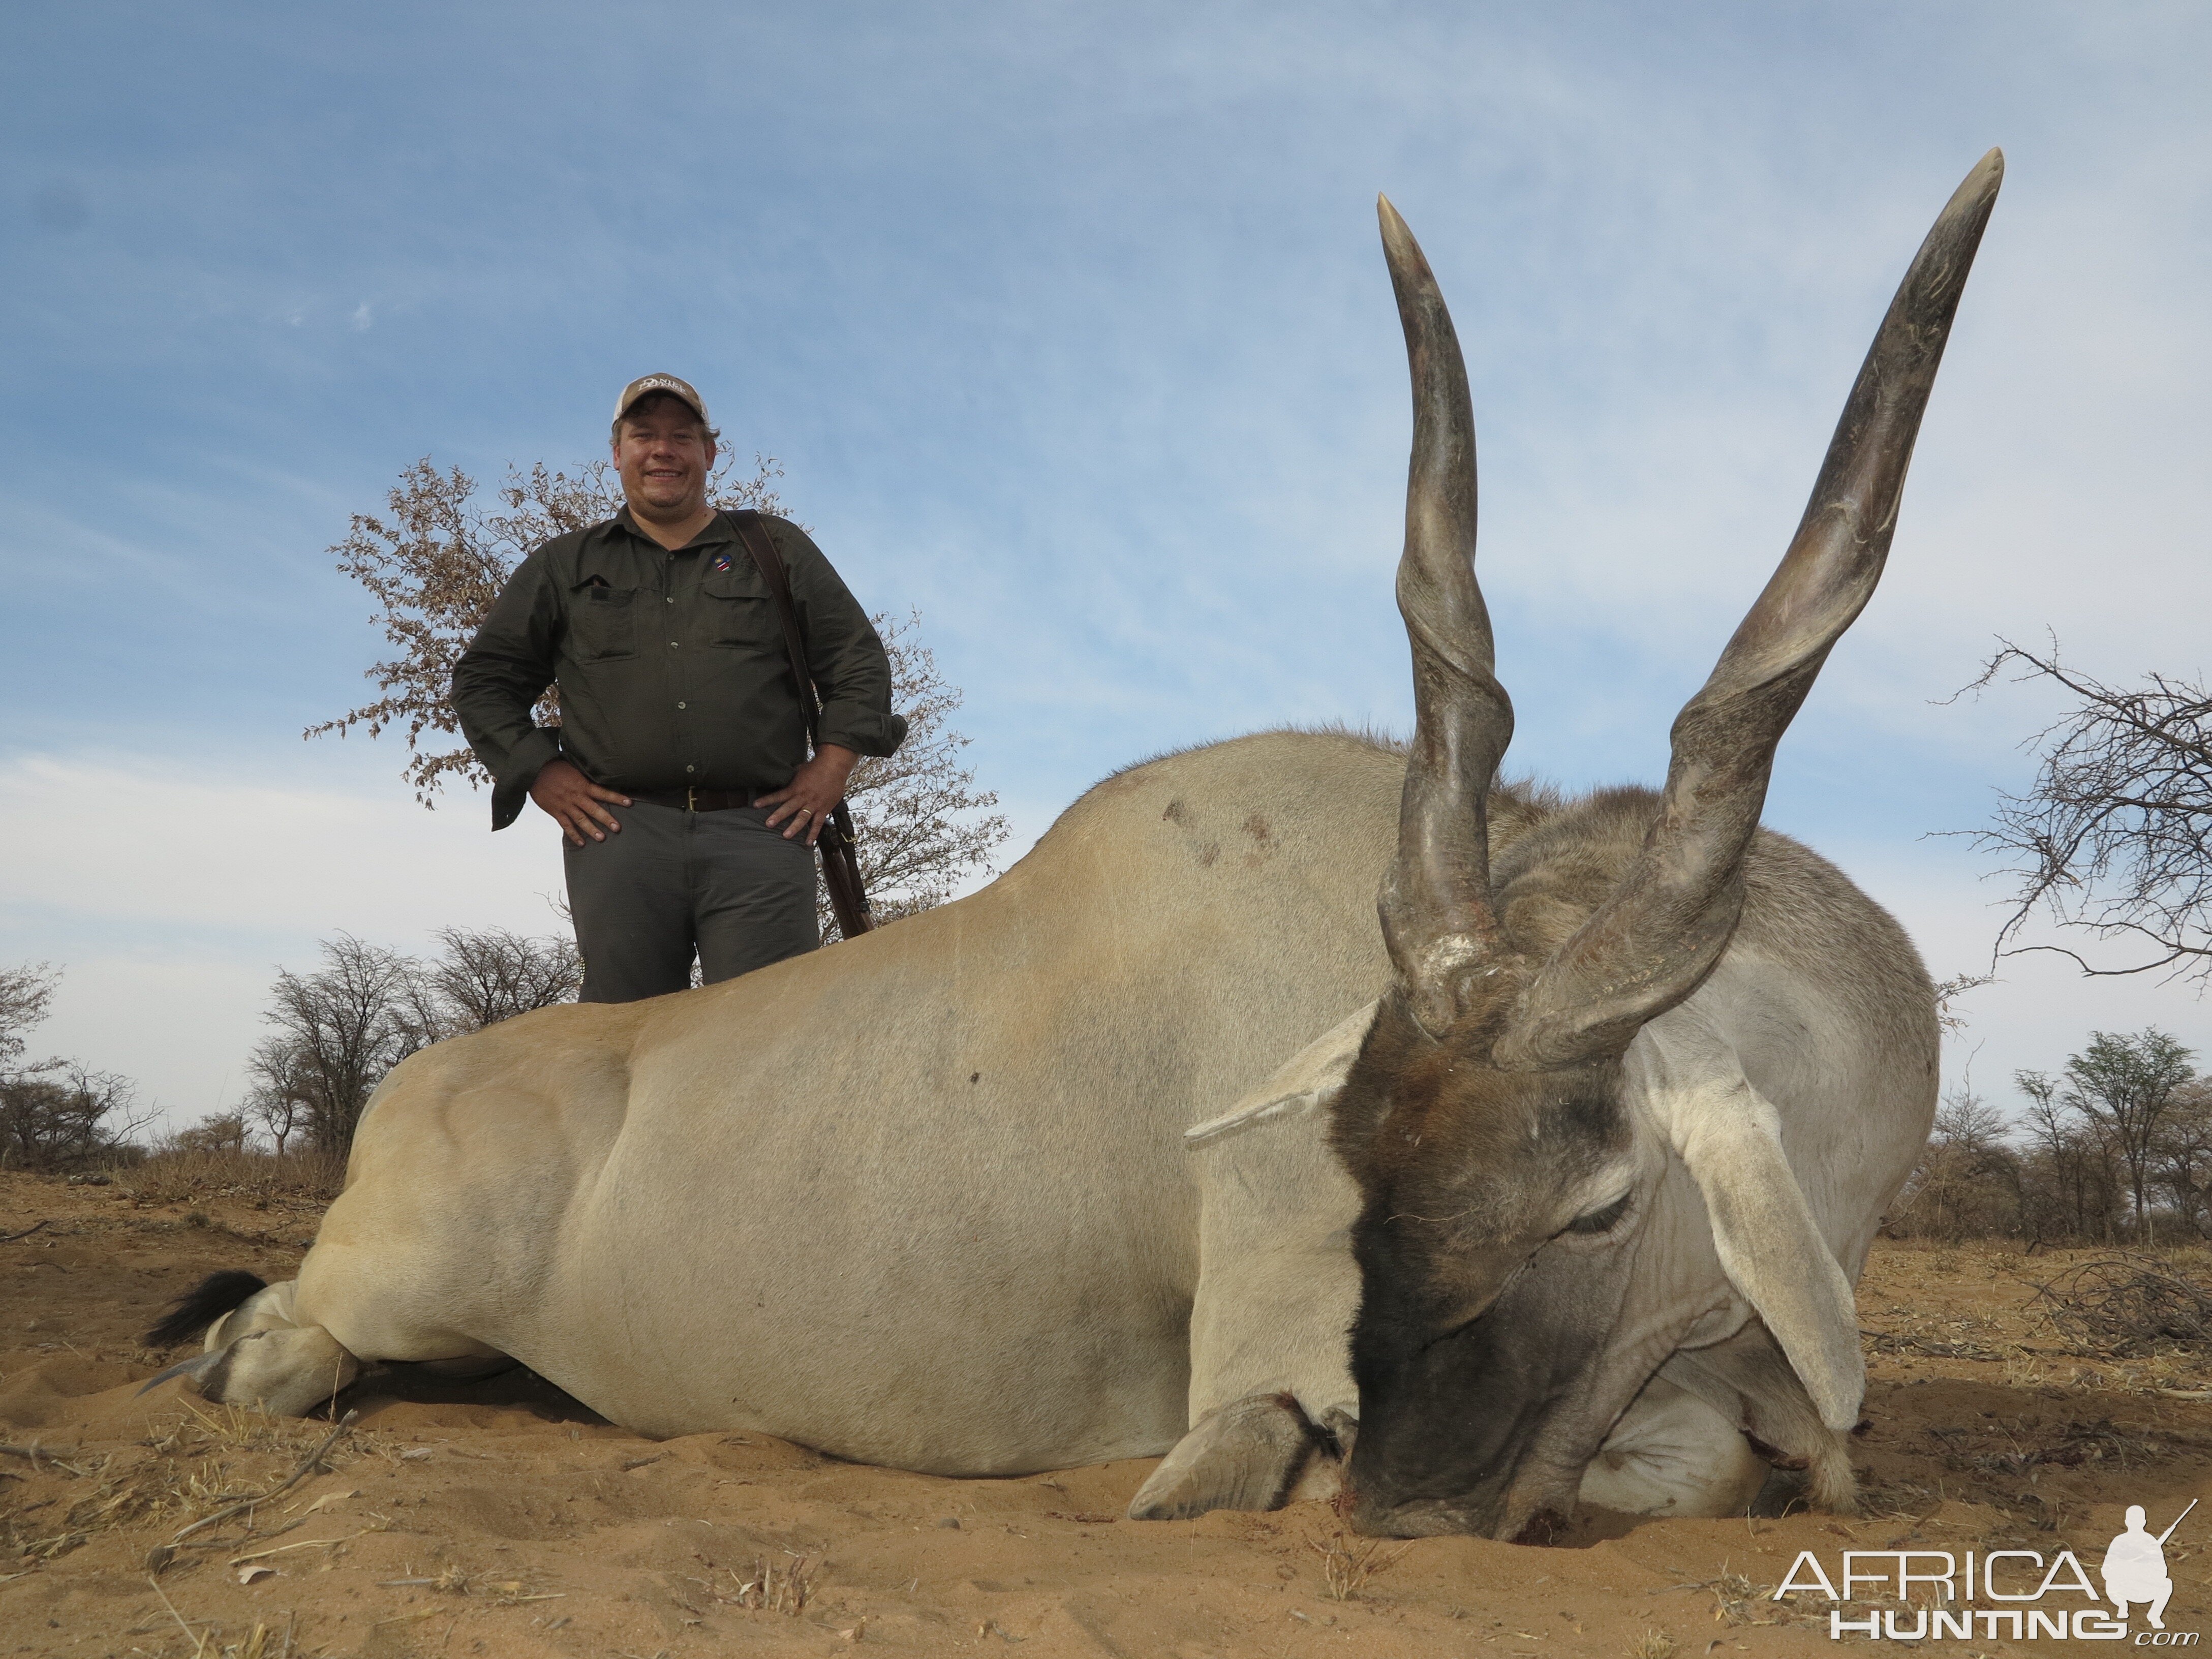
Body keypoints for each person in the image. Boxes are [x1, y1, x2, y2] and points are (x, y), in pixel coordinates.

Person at [451, 373, 906, 1002]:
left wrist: (831, 768)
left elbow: (857, 661)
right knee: (618, 1047)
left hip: (763, 833)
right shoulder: (564, 566)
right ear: (617, 453)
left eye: (681, 437)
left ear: (708, 454)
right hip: (619, 839)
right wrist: (540, 773)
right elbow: (483, 681)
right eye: (644, 435)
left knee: (767, 1042)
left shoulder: (775, 549)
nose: (662, 450)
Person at [2100, 1504, 2175, 1630]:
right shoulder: (2119, 1541)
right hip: (2122, 1588)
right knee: (2111, 1583)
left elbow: (2162, 1571)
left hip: (2144, 1587)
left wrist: (2144, 1570)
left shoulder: (2150, 1542)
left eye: (2138, 1520)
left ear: (2144, 1522)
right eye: (2132, 1520)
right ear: (2126, 1522)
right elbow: (2106, 1570)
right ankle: (2122, 1606)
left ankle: (2154, 1616)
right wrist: (2124, 1569)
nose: (2135, 1524)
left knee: (2167, 1584)